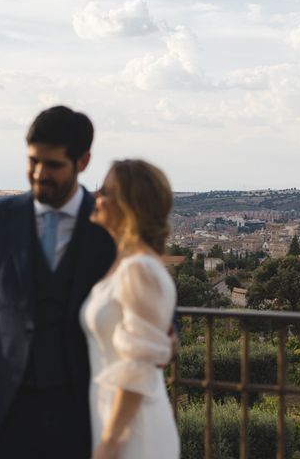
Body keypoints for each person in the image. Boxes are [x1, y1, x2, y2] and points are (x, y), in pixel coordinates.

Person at [0, 105, 116, 459]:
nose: (39, 174)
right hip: (7, 408)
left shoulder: (111, 225)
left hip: (85, 410)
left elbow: (144, 295)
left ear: (82, 162)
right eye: (33, 161)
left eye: (53, 165)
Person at [81, 159, 180, 459]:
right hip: (113, 417)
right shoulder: (124, 264)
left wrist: (111, 442)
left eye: (106, 191)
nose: (96, 195)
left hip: (132, 429)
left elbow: (138, 366)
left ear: (129, 205)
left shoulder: (140, 270)